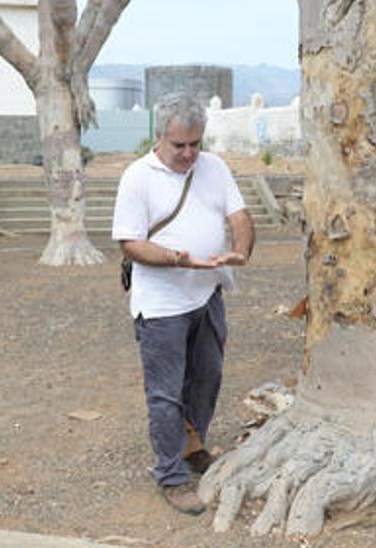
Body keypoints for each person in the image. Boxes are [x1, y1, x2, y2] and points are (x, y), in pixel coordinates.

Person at [111, 93, 255, 515]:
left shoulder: (213, 167)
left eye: (195, 144)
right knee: (165, 393)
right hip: (161, 303)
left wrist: (242, 249)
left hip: (207, 292)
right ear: (160, 137)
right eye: (179, 146)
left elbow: (240, 216)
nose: (189, 153)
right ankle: (171, 475)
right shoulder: (137, 176)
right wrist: (179, 258)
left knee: (207, 378)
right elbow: (130, 243)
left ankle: (194, 445)